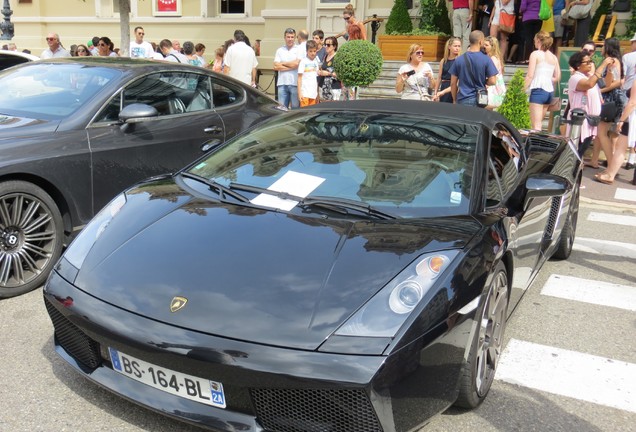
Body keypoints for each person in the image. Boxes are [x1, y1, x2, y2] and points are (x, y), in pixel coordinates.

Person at [594, 38, 627, 184]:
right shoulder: (619, 60)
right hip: (618, 98)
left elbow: (609, 83)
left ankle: (610, 167)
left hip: (610, 99)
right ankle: (610, 167)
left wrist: (600, 89)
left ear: (608, 47)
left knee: (602, 132)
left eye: (603, 46)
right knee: (606, 132)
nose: (601, 48)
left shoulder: (610, 61)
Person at [596, 79, 636, 184]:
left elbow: (632, 102)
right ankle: (609, 172)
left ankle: (610, 174)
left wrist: (622, 120)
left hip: (633, 119)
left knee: (621, 147)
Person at [566, 50, 605, 156]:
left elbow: (602, 86)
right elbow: (589, 84)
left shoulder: (589, 76)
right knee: (574, 152)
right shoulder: (575, 78)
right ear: (578, 66)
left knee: (580, 152)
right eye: (587, 62)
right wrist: (603, 65)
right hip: (580, 121)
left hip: (591, 121)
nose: (590, 64)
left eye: (591, 61)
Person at [450, 30, 499, 106]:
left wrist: (454, 99)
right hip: (480, 99)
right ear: (480, 42)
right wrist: (484, 82)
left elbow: (453, 83)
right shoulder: (486, 59)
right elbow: (493, 81)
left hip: (463, 98)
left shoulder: (459, 59)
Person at [525, 31, 560, 130]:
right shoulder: (553, 57)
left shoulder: (535, 54)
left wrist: (521, 89)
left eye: (535, 40)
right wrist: (547, 78)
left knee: (536, 126)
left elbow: (530, 75)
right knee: (539, 123)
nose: (534, 42)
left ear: (539, 40)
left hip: (538, 90)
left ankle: (535, 145)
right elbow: (557, 77)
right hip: (549, 91)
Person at [274, 28, 301, 109]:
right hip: (282, 83)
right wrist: (292, 66)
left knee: (295, 110)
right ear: (284, 38)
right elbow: (275, 66)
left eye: (292, 37)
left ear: (295, 38)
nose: (290, 39)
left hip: (295, 83)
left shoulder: (299, 49)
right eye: (288, 37)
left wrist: (282, 63)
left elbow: (297, 64)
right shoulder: (280, 50)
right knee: (282, 109)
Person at [435, 37, 463, 103]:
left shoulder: (460, 61)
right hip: (444, 85)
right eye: (455, 46)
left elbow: (458, 81)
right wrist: (436, 92)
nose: (457, 48)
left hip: (454, 87)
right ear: (449, 47)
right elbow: (439, 77)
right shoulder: (444, 60)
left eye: (459, 46)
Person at [484, 36, 507, 109]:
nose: (484, 46)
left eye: (486, 45)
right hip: (496, 85)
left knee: (486, 106)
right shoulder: (495, 57)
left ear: (492, 47)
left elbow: (492, 74)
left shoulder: (493, 59)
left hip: (492, 86)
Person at [317, 36, 342, 102]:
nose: (326, 46)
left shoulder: (338, 57)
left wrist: (328, 73)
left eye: (328, 45)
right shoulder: (325, 56)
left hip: (333, 88)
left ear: (334, 46)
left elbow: (340, 74)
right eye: (325, 44)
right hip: (324, 88)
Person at [298, 40, 320, 107]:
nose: (313, 53)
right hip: (305, 93)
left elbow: (317, 79)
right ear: (306, 51)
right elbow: (299, 78)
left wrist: (317, 94)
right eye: (310, 51)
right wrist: (299, 93)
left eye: (314, 51)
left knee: (312, 113)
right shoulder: (303, 61)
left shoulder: (316, 62)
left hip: (313, 93)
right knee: (304, 113)